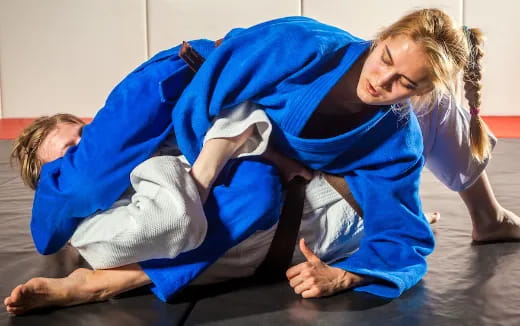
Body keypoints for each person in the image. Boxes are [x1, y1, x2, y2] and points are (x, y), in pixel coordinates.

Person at [5, 8, 496, 307]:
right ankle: (51, 216)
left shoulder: (397, 140)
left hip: (238, 140)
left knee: (258, 195)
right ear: (381, 35)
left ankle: (106, 283)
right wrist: (207, 182)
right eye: (385, 57)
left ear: (424, 92)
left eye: (404, 84)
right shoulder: (303, 43)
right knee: (78, 198)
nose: (382, 81)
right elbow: (205, 109)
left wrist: (347, 274)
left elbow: (402, 239)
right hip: (185, 91)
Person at [5, 93, 520, 315]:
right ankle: (107, 284)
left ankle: (487, 217)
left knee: (426, 102)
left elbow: (242, 121)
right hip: (291, 237)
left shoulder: (152, 138)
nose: (83, 155)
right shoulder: (91, 225)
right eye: (66, 160)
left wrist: (265, 151)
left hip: (316, 191)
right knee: (187, 230)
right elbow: (171, 222)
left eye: (81, 138)